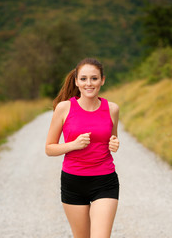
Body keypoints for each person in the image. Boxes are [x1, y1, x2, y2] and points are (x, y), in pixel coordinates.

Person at [45, 57, 120, 238]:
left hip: (105, 180)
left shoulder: (112, 109)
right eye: (84, 78)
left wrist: (115, 143)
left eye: (94, 78)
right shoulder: (64, 108)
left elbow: (112, 137)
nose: (89, 83)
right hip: (73, 182)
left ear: (102, 80)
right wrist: (73, 145)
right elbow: (49, 148)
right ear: (76, 81)